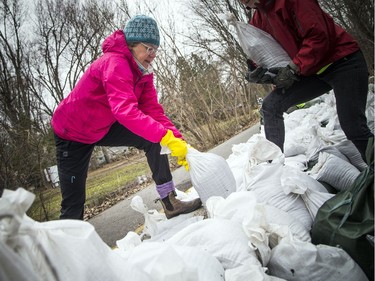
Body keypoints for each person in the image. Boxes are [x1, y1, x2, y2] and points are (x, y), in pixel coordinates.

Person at [51, 15, 202, 220]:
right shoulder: (115, 63)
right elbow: (125, 111)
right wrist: (165, 136)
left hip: (103, 126)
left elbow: (154, 112)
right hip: (72, 132)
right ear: (133, 45)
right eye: (149, 48)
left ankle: (170, 201)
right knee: (73, 203)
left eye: (156, 50)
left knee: (154, 138)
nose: (153, 55)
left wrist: (177, 140)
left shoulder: (144, 72)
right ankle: (68, 248)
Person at [240, 0, 373, 160]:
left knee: (353, 125)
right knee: (271, 105)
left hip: (341, 61)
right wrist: (256, 70)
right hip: (312, 71)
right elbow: (268, 54)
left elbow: (319, 37)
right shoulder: (258, 20)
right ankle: (273, 167)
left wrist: (292, 69)